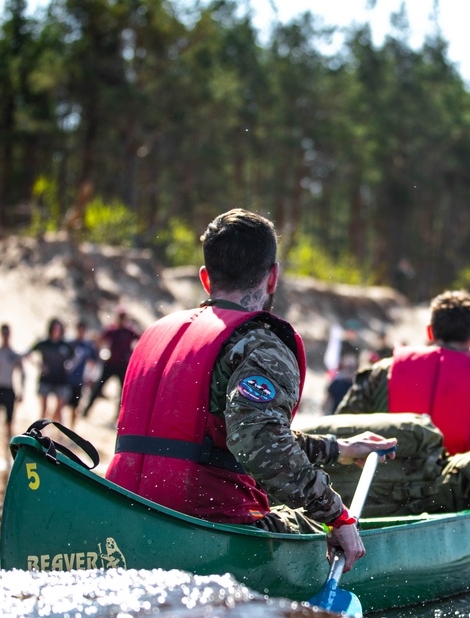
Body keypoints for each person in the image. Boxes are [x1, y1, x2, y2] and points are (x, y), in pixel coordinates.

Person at [104, 208, 396, 573]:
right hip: (206, 524)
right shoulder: (261, 346)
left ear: (205, 279)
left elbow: (231, 436)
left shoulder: (155, 335)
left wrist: (339, 449)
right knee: (308, 526)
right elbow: (260, 444)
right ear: (273, 277)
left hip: (119, 513)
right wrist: (337, 517)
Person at [335, 289, 470, 454]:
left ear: (429, 332)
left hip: (384, 486)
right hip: (449, 488)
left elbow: (342, 423)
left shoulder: (383, 370)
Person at [83, 307, 140, 419]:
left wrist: (134, 354)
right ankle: (86, 410)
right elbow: (99, 339)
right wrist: (100, 352)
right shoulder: (111, 330)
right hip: (110, 364)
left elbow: (141, 339)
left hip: (123, 366)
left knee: (123, 393)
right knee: (98, 387)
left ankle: (119, 417)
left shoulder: (129, 331)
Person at [0, 324, 26, 467]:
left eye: (7, 333)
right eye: (4, 333)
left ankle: (7, 457)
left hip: (9, 389)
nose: (5, 335)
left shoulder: (14, 354)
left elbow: (22, 373)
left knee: (9, 424)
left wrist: (21, 391)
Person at [27, 318, 73, 424]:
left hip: (61, 379)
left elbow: (74, 357)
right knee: (44, 408)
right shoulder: (44, 343)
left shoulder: (65, 344)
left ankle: (59, 434)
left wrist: (69, 366)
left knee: (60, 408)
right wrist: (39, 365)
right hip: (46, 378)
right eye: (55, 328)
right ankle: (42, 432)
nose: (56, 331)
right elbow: (28, 353)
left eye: (59, 329)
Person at [66, 320, 98, 428]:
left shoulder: (88, 345)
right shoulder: (70, 343)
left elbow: (93, 362)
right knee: (62, 404)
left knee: (76, 406)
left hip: (80, 380)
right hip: (67, 379)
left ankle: (72, 427)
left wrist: (90, 376)